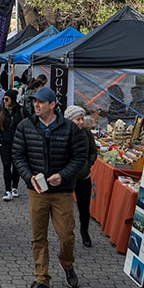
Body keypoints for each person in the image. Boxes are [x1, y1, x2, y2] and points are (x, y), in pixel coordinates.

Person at [13, 86, 87, 288]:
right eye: (35, 101)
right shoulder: (26, 126)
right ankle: (41, 279)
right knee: (38, 236)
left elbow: (79, 157)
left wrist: (62, 175)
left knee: (66, 235)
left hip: (62, 191)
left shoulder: (69, 128)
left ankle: (67, 264)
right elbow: (18, 155)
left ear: (52, 105)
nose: (36, 105)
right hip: (36, 191)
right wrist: (29, 177)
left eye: (41, 102)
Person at [64, 104, 98, 247]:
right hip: (67, 177)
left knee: (84, 208)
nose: (81, 122)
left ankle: (85, 232)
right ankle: (66, 235)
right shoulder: (63, 133)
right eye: (78, 119)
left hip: (84, 177)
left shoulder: (86, 133)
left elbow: (93, 151)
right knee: (65, 209)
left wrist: (87, 164)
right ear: (70, 120)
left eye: (82, 119)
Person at [0, 89, 30, 201]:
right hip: (5, 143)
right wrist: (1, 136)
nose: (5, 101)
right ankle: (7, 190)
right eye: (4, 99)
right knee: (6, 165)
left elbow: (30, 122)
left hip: (18, 143)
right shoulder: (1, 111)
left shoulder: (21, 111)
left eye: (7, 99)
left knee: (16, 166)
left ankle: (15, 187)